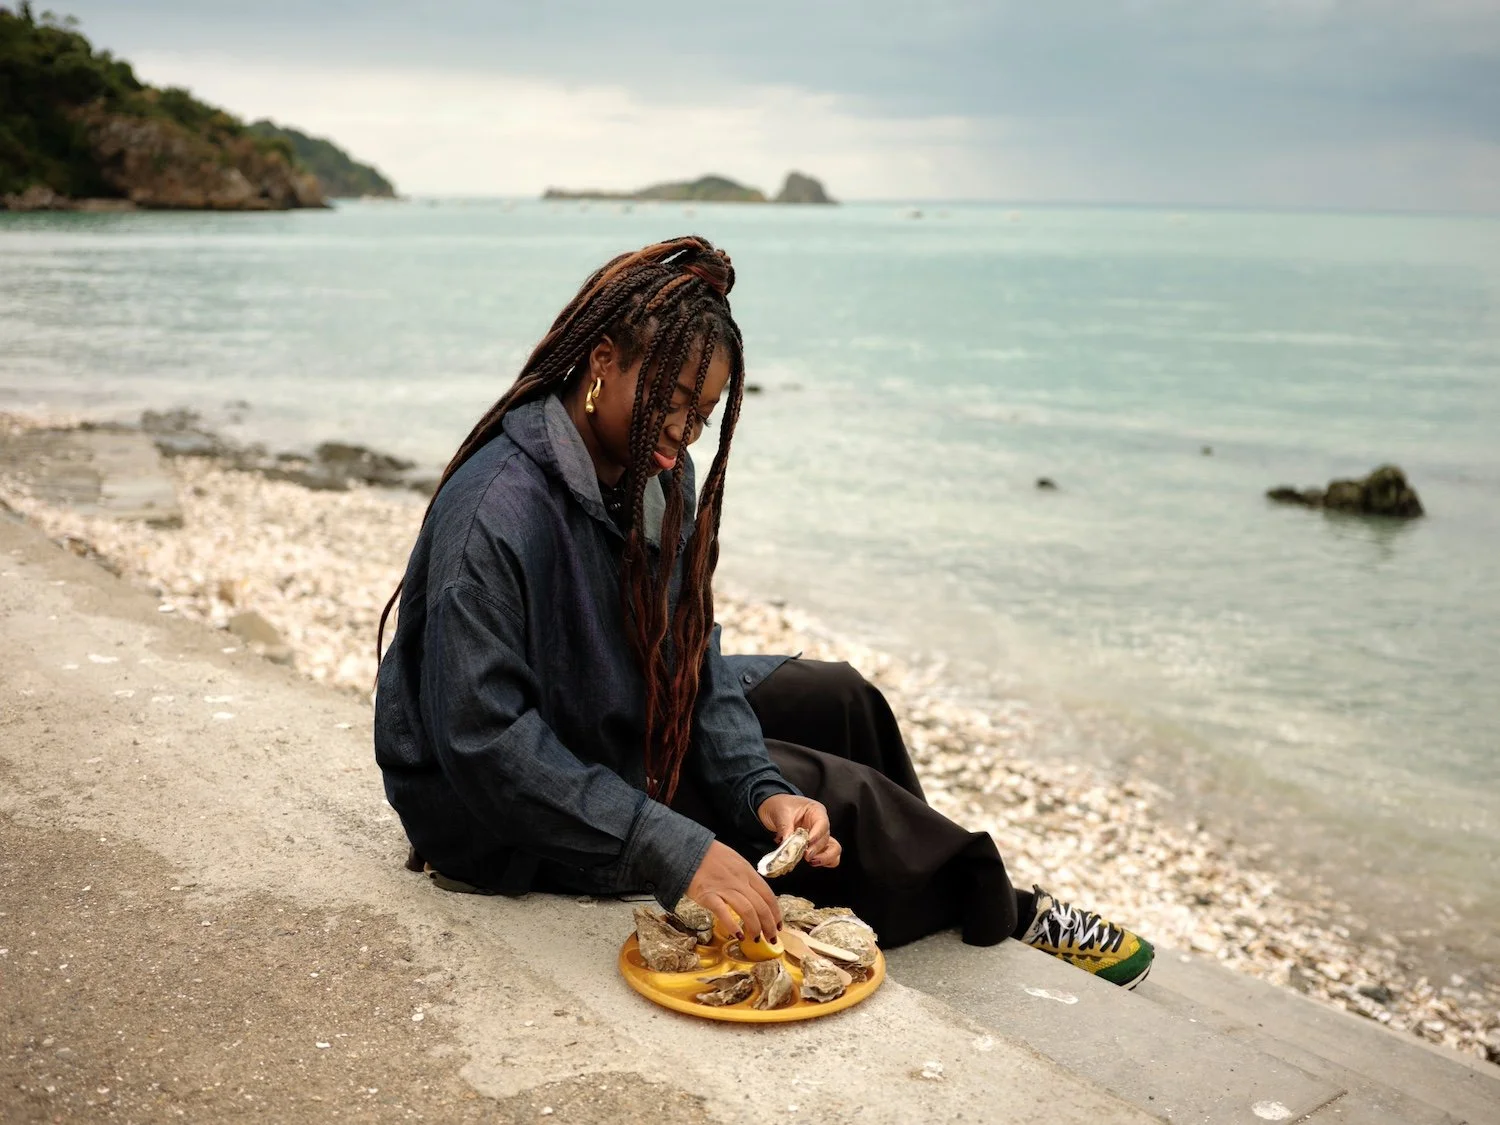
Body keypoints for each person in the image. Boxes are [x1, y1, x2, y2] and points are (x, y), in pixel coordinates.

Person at [373, 236, 1154, 988]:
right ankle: (997, 906)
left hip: (603, 705)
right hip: (493, 817)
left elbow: (689, 654)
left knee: (840, 697)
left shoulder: (656, 472)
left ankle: (915, 873)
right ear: (602, 361)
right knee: (843, 797)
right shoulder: (496, 512)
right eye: (671, 400)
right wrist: (675, 846)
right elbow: (485, 745)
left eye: (702, 412)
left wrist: (758, 787)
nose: (683, 432)